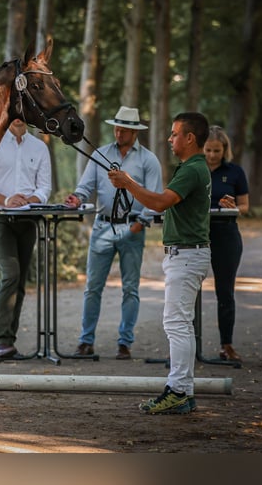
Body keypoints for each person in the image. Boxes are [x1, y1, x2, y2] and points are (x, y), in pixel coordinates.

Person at [108, 112, 211, 414]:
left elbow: (159, 202)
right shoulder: (193, 167)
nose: (170, 139)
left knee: (176, 324)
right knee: (181, 325)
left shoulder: (192, 169)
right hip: (188, 254)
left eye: (175, 133)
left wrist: (128, 183)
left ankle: (177, 391)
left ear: (190, 138)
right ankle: (184, 391)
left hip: (186, 255)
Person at [64, 106, 163, 360]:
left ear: (134, 131)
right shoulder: (100, 154)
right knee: (92, 287)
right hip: (102, 226)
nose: (118, 133)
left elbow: (155, 196)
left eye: (124, 129)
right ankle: (86, 341)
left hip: (132, 227)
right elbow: (85, 187)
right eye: (116, 128)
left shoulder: (148, 160)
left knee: (130, 287)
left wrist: (139, 224)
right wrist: (76, 198)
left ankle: (125, 342)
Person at [0, 118, 52, 361]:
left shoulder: (40, 148)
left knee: (19, 282)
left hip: (28, 220)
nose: (18, 117)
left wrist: (31, 200)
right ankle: (1, 342)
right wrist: (7, 199)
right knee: (10, 274)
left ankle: (9, 343)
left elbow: (44, 188)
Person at [204, 125, 249, 362]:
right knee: (188, 292)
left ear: (225, 150)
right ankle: (187, 346)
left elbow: (245, 206)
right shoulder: (193, 169)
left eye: (217, 151)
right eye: (208, 150)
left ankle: (226, 345)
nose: (212, 155)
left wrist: (233, 207)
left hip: (226, 235)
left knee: (225, 292)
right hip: (198, 235)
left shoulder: (235, 172)